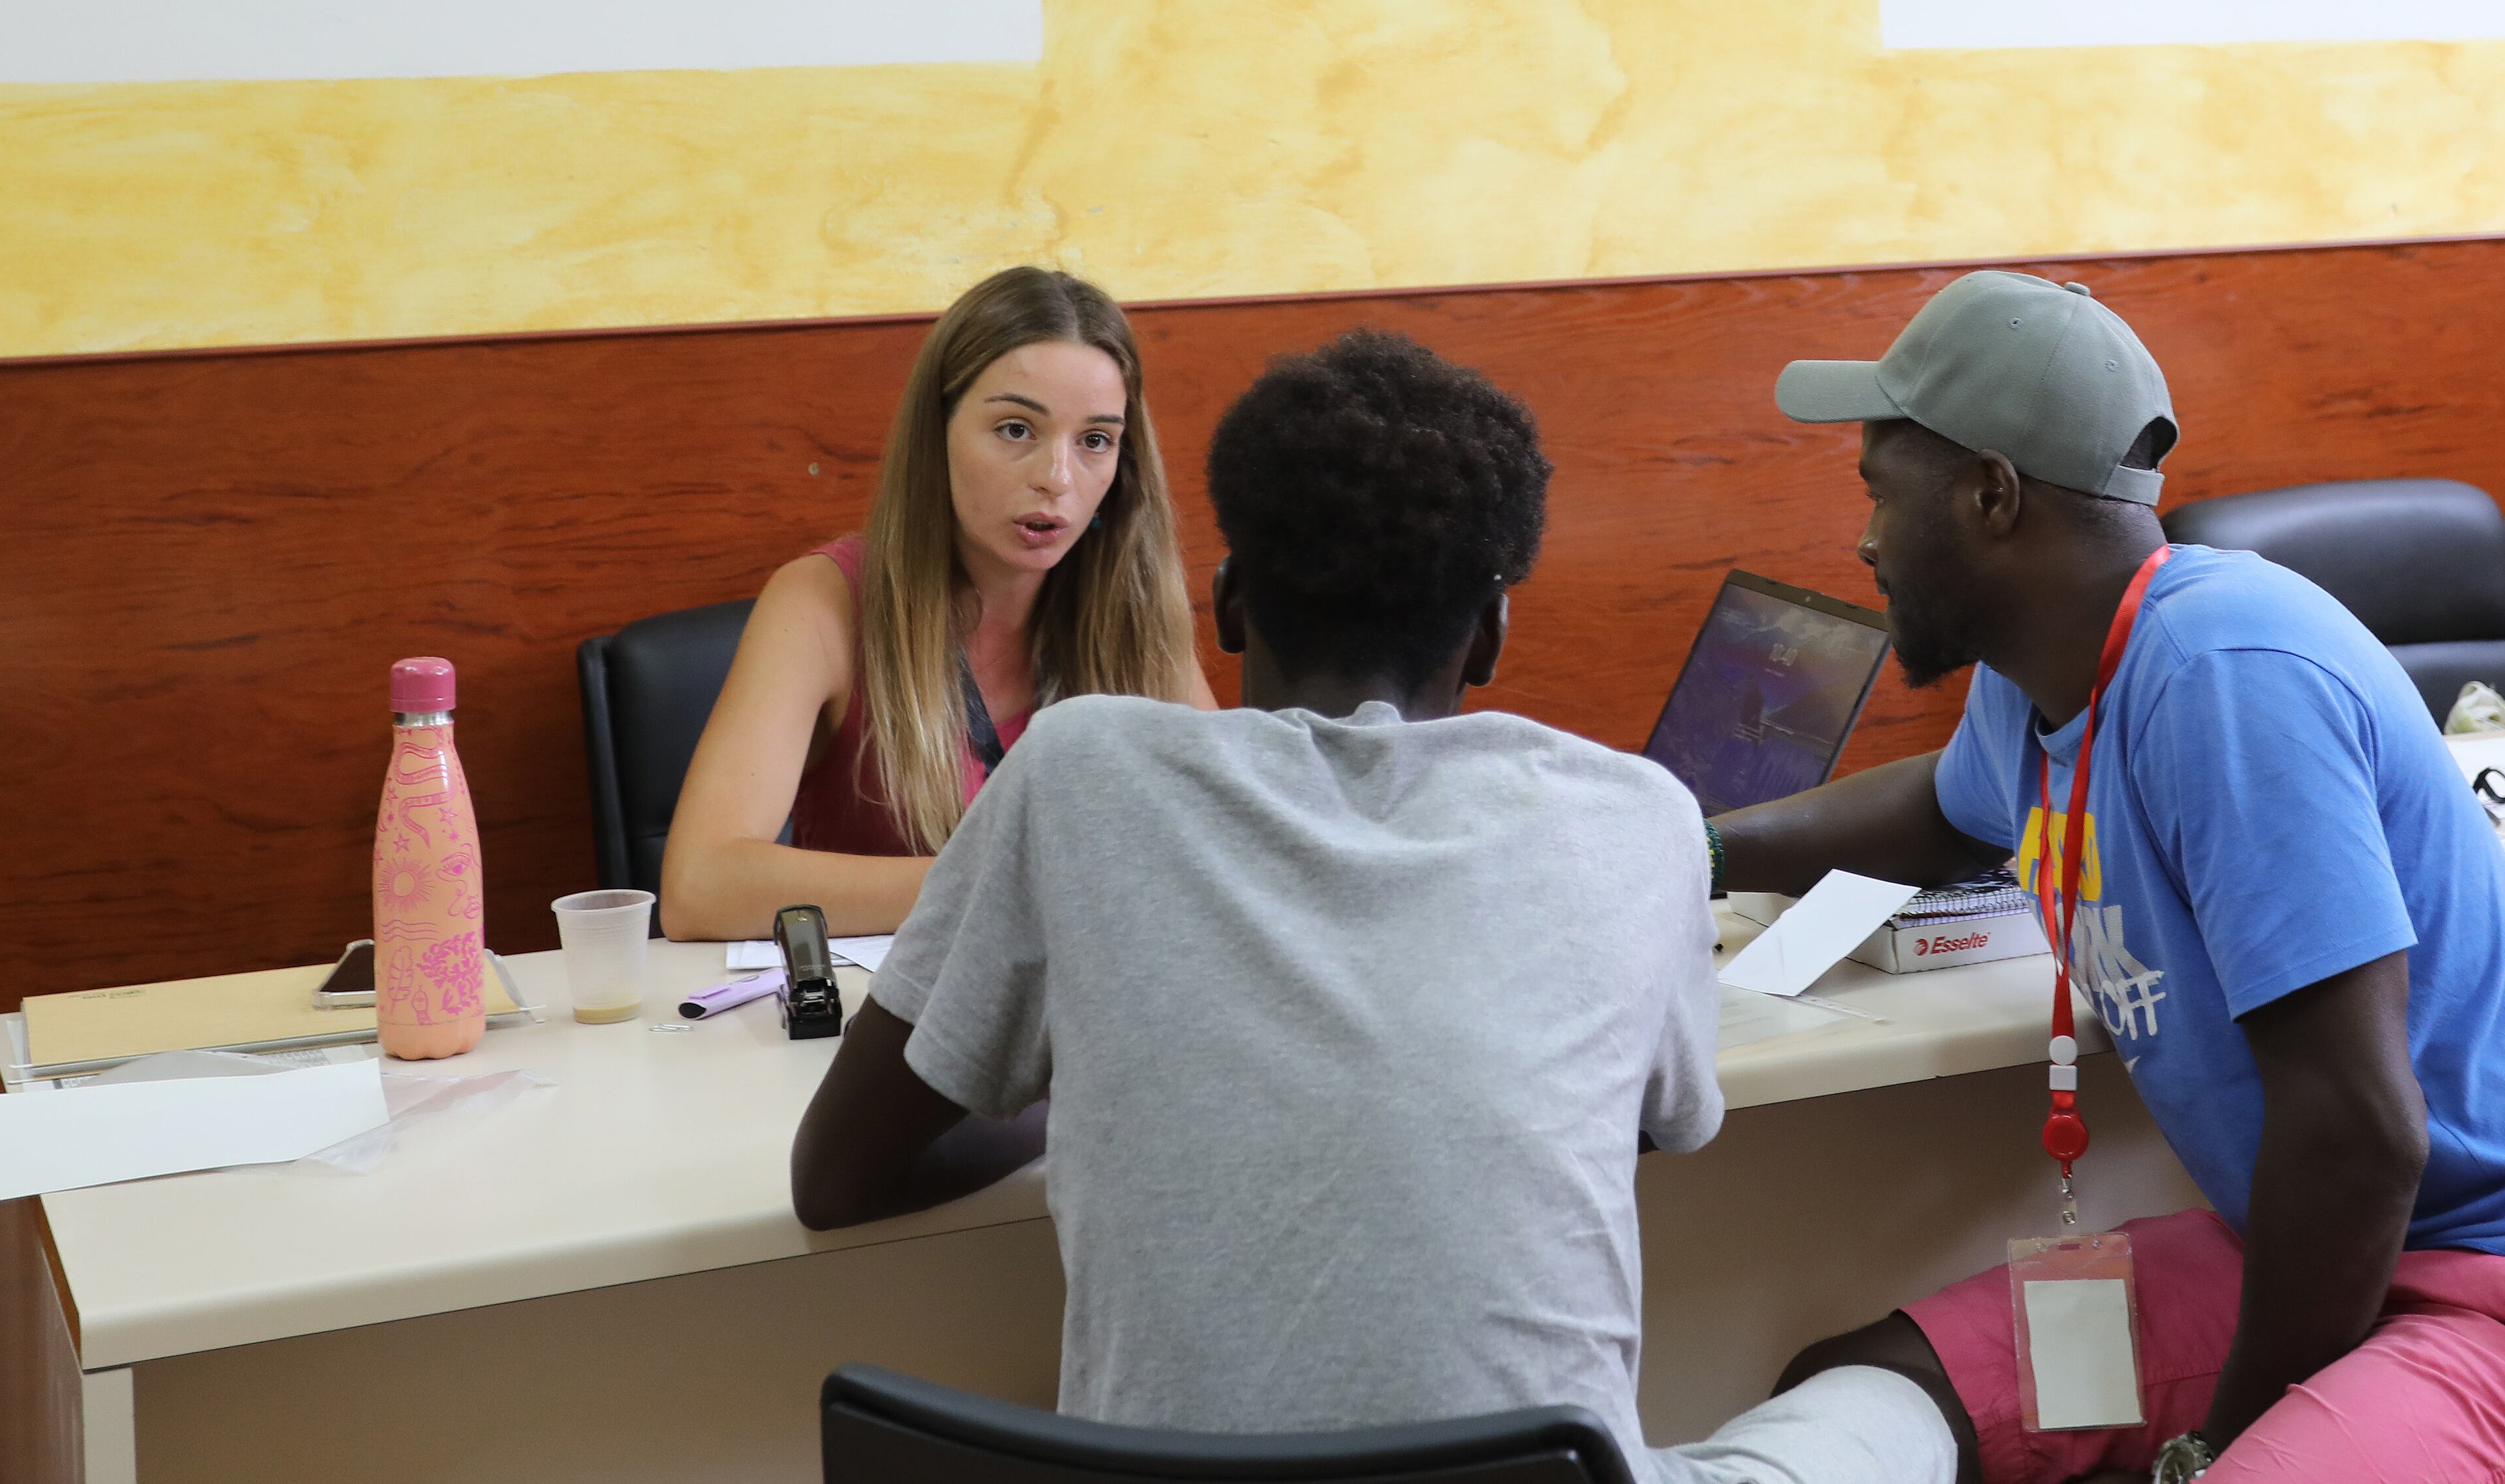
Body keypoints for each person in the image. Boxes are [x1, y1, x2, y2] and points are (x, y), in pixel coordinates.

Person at [789, 329, 1952, 1484]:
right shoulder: (1637, 817)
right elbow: (1659, 1118)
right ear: (1491, 629)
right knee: (1902, 1386)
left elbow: (834, 1172)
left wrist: (1105, 1075)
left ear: (1231, 603)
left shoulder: (1077, 772)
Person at [1717, 270, 2505, 1484]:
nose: (1867, 537)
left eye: (1880, 493)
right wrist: (1689, 844)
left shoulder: (2226, 671)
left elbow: (2362, 1136)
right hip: (2324, 1267)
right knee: (1872, 1390)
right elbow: (1940, 809)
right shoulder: (2046, 663)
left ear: (1989, 492)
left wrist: (2216, 1444)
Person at [660, 266, 1211, 941]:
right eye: (1015, 430)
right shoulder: (822, 603)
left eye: (1094, 440)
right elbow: (699, 887)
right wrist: (1013, 878)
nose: (1056, 478)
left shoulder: (1134, 608)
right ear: (938, 433)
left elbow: (1224, 839)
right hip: (882, 1028)